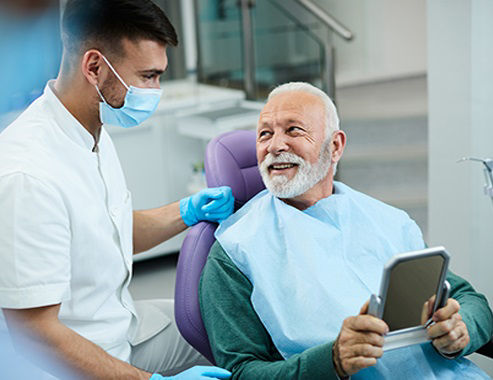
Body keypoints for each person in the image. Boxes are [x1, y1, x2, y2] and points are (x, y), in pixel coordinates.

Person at [0, 1, 233, 379]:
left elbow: (110, 233)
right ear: (94, 67)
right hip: (71, 365)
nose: (155, 91)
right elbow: (35, 333)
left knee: (232, 324)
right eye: (147, 76)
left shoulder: (91, 130)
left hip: (121, 330)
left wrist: (188, 211)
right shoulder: (27, 175)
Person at [199, 82, 493, 379]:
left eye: (293, 130)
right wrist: (333, 361)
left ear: (335, 146)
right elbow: (241, 372)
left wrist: (461, 329)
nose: (274, 146)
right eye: (265, 133)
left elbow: (470, 300)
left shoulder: (387, 220)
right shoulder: (234, 251)